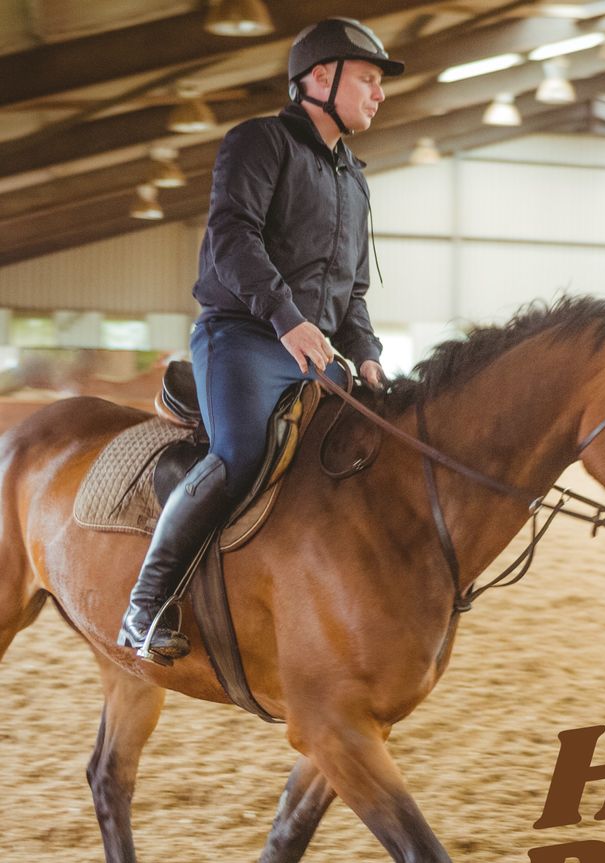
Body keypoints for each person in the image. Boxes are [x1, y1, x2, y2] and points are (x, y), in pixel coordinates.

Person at [118, 17, 404, 662]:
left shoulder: (354, 178)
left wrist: (368, 355)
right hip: (243, 335)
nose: (378, 94)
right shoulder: (259, 141)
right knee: (241, 453)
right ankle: (145, 605)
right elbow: (232, 236)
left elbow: (352, 291)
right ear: (320, 78)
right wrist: (287, 317)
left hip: (318, 349)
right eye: (368, 79)